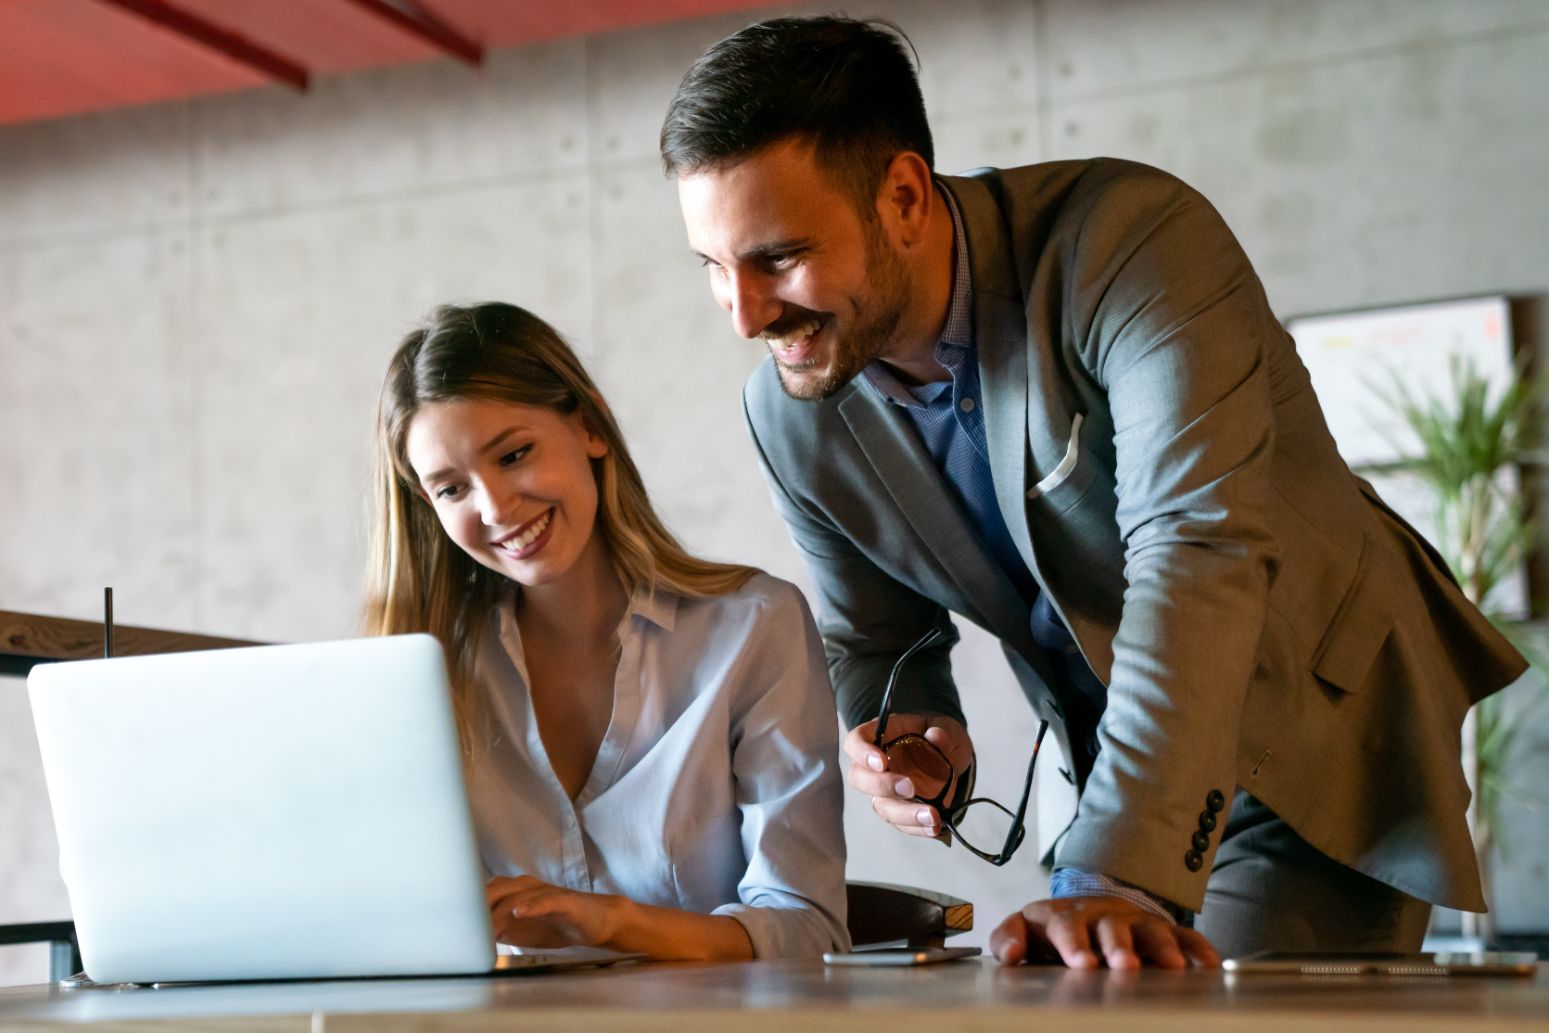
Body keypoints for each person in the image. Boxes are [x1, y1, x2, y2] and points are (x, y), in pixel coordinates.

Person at [661, 15, 1526, 968]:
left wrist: (1111, 874)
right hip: (1107, 762)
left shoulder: (1135, 241)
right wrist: (911, 726)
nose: (743, 314)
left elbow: (1194, 546)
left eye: (779, 258)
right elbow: (879, 637)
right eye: (713, 267)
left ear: (903, 195)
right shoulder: (792, 411)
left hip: (1299, 718)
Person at [363, 301, 849, 960]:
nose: (495, 507)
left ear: (588, 425)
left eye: (513, 453)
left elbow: (807, 930)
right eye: (451, 489)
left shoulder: (754, 627)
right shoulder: (421, 670)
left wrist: (611, 923)